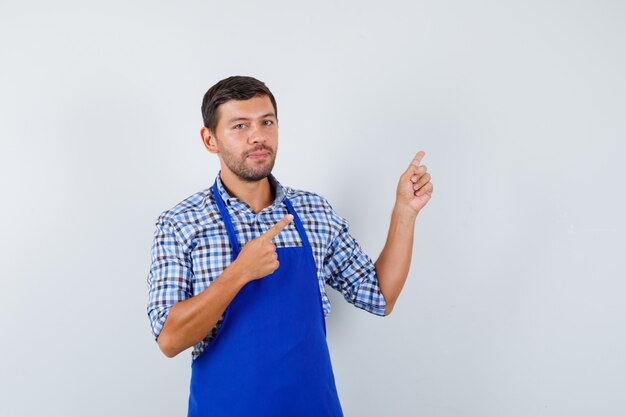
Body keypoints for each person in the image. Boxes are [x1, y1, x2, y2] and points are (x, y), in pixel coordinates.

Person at [146, 75, 434, 417]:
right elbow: (169, 339)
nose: (258, 136)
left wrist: (405, 213)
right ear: (210, 139)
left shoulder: (314, 212)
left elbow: (380, 296)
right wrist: (239, 273)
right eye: (239, 126)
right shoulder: (181, 223)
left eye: (266, 122)